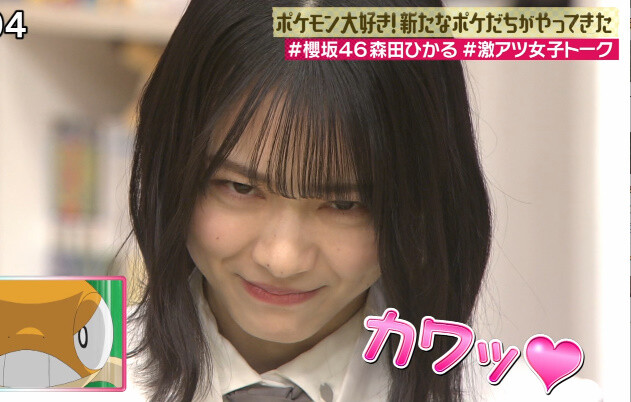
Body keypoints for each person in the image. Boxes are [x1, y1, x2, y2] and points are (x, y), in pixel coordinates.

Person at [128, 0, 490, 400]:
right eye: (240, 187)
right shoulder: (73, 359)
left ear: (423, 199)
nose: (282, 260)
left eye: (344, 204)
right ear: (170, 167)